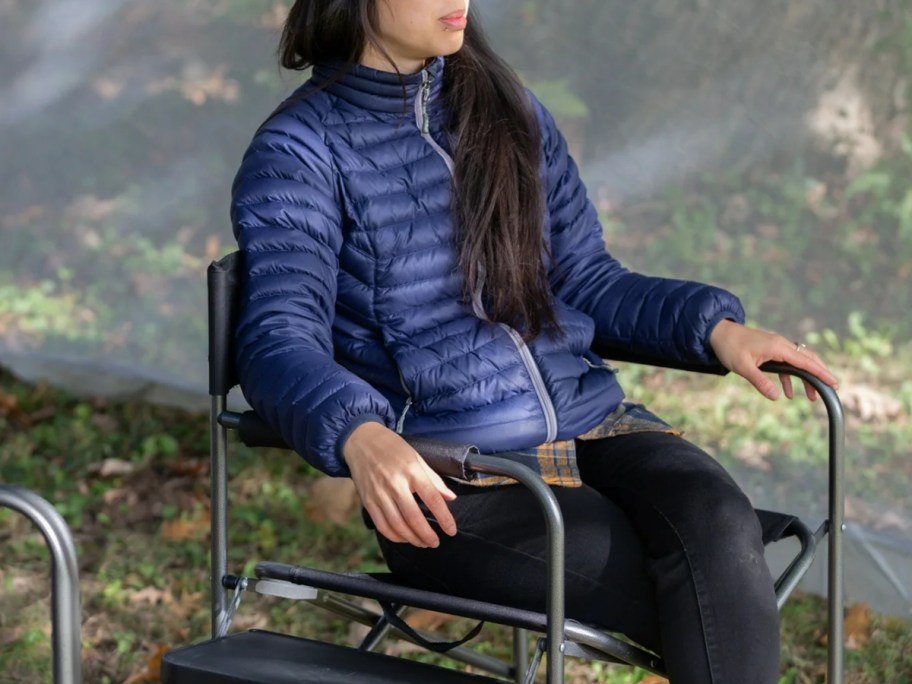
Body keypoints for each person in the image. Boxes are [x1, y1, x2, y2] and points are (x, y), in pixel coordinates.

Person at [230, 2, 839, 682]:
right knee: (711, 590)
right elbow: (278, 341)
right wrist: (359, 434)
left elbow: (584, 278)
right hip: (454, 475)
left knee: (721, 522)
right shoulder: (299, 150)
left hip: (594, 427)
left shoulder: (505, 108)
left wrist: (716, 328)